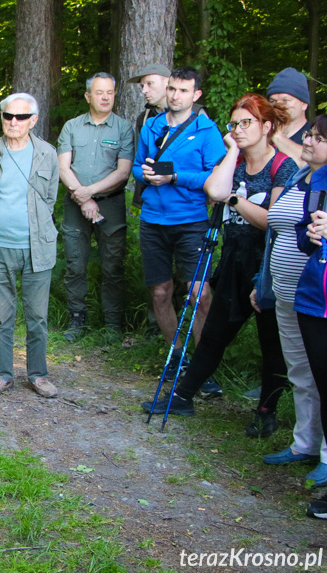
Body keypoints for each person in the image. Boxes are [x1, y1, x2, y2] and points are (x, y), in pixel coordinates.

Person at [141, 94, 296, 439]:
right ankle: (182, 397)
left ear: (266, 127)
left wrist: (236, 200)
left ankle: (267, 412)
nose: (238, 130)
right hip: (232, 261)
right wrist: (231, 152)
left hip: (267, 266)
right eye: (234, 124)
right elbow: (214, 188)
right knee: (213, 336)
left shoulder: (283, 167)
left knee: (271, 344)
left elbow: (271, 220)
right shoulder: (237, 163)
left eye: (246, 123)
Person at [250, 115, 327, 491]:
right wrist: (263, 281)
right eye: (310, 134)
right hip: (285, 290)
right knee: (299, 369)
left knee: (324, 374)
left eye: (317, 137)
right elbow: (280, 233)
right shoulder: (302, 178)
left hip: (319, 295)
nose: (309, 141)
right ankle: (304, 444)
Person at [132, 66, 226, 386]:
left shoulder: (207, 131)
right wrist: (143, 174)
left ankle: (204, 368)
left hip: (191, 222)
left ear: (196, 95)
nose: (175, 95)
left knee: (199, 294)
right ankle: (177, 357)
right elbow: (136, 164)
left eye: (183, 90)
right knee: (160, 293)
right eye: (172, 89)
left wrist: (175, 177)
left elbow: (217, 178)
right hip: (152, 220)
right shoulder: (152, 125)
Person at [0, 93, 59, 399]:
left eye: (21, 117)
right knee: (2, 318)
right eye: (8, 116)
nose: (14, 122)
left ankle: (38, 375)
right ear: (2, 117)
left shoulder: (47, 153)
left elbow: (50, 199)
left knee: (37, 317)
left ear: (33, 120)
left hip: (37, 249)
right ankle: (4, 375)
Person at [57, 72, 134, 341]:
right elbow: (63, 167)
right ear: (88, 96)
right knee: (75, 264)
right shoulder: (72, 127)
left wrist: (89, 193)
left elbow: (123, 172)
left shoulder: (123, 128)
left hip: (110, 205)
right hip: (74, 205)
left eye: (110, 92)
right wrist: (83, 198)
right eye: (99, 92)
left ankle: (112, 323)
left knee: (113, 265)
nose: (105, 97)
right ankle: (77, 319)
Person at [293, 115, 327, 516]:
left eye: (318, 137)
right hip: (313, 300)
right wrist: (313, 235)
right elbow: (306, 239)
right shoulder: (316, 183)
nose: (308, 140)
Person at [127, 63, 210, 209]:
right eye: (142, 86)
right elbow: (139, 163)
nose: (144, 91)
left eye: (149, 84)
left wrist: (173, 177)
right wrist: (145, 175)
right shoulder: (145, 119)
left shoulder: (197, 116)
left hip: (188, 203)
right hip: (153, 202)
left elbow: (209, 166)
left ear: (167, 82)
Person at [268, 67, 312, 169]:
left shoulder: (318, 136)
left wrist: (277, 137)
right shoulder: (261, 134)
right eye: (272, 101)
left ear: (304, 104)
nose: (278, 105)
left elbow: (311, 166)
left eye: (285, 100)